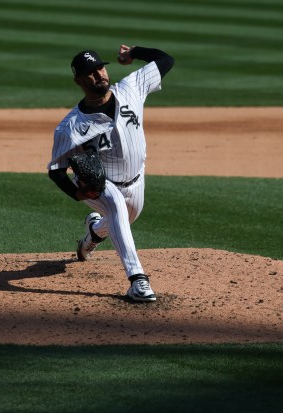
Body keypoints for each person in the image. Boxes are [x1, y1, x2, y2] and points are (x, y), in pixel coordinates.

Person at [47, 44, 174, 302]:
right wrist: (78, 194)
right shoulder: (70, 127)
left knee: (125, 219)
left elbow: (166, 59)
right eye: (90, 73)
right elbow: (56, 171)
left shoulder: (131, 88)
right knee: (115, 204)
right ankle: (137, 280)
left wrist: (134, 52)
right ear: (79, 81)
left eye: (100, 68)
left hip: (137, 179)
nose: (99, 75)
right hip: (101, 184)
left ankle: (94, 232)